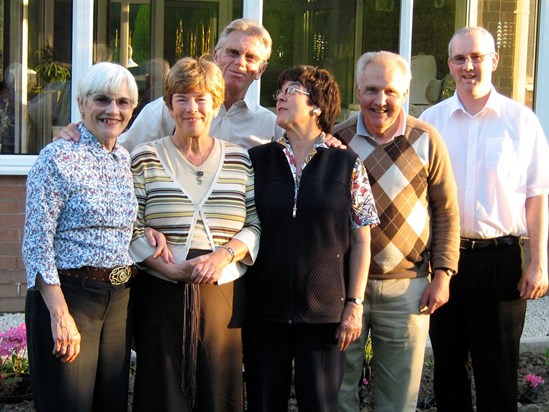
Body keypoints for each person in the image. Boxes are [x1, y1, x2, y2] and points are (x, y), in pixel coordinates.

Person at [419, 26, 549, 412]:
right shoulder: (432, 122)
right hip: (446, 262)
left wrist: (539, 263)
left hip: (502, 261)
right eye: (460, 58)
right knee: (447, 369)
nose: (468, 66)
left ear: (494, 61)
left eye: (477, 57)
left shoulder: (521, 122)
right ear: (449, 65)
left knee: (498, 372)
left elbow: (537, 197)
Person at [129, 56, 261, 411]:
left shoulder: (240, 160)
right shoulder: (143, 158)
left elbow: (254, 224)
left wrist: (223, 255)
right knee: (163, 386)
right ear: (170, 106)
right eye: (182, 98)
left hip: (223, 291)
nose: (192, 108)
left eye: (202, 98)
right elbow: (130, 225)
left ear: (216, 105)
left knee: (219, 387)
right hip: (160, 288)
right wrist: (166, 268)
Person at [244, 65, 379, 411]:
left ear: (317, 105)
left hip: (324, 315)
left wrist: (354, 304)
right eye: (279, 92)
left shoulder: (347, 164)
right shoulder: (258, 161)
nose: (280, 98)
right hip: (264, 311)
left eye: (290, 91)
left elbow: (362, 240)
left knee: (320, 405)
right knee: (262, 403)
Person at [334, 51, 460, 412]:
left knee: (398, 398)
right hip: (346, 289)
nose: (380, 100)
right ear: (357, 90)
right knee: (339, 390)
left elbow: (447, 211)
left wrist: (444, 273)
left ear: (404, 93)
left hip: (409, 288)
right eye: (371, 89)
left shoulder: (427, 139)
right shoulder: (337, 140)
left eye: (390, 91)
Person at [23, 62, 140, 412]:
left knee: (111, 404)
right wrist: (60, 315)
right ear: (81, 103)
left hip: (117, 301)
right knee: (68, 404)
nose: (112, 110)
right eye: (102, 99)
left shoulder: (122, 157)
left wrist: (144, 233)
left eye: (123, 102)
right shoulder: (56, 157)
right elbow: (37, 243)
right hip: (70, 299)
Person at [57, 18, 283, 151]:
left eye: (251, 58)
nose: (240, 63)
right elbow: (121, 149)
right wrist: (80, 134)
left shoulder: (270, 125)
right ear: (216, 55)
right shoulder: (170, 109)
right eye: (232, 53)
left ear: (261, 70)